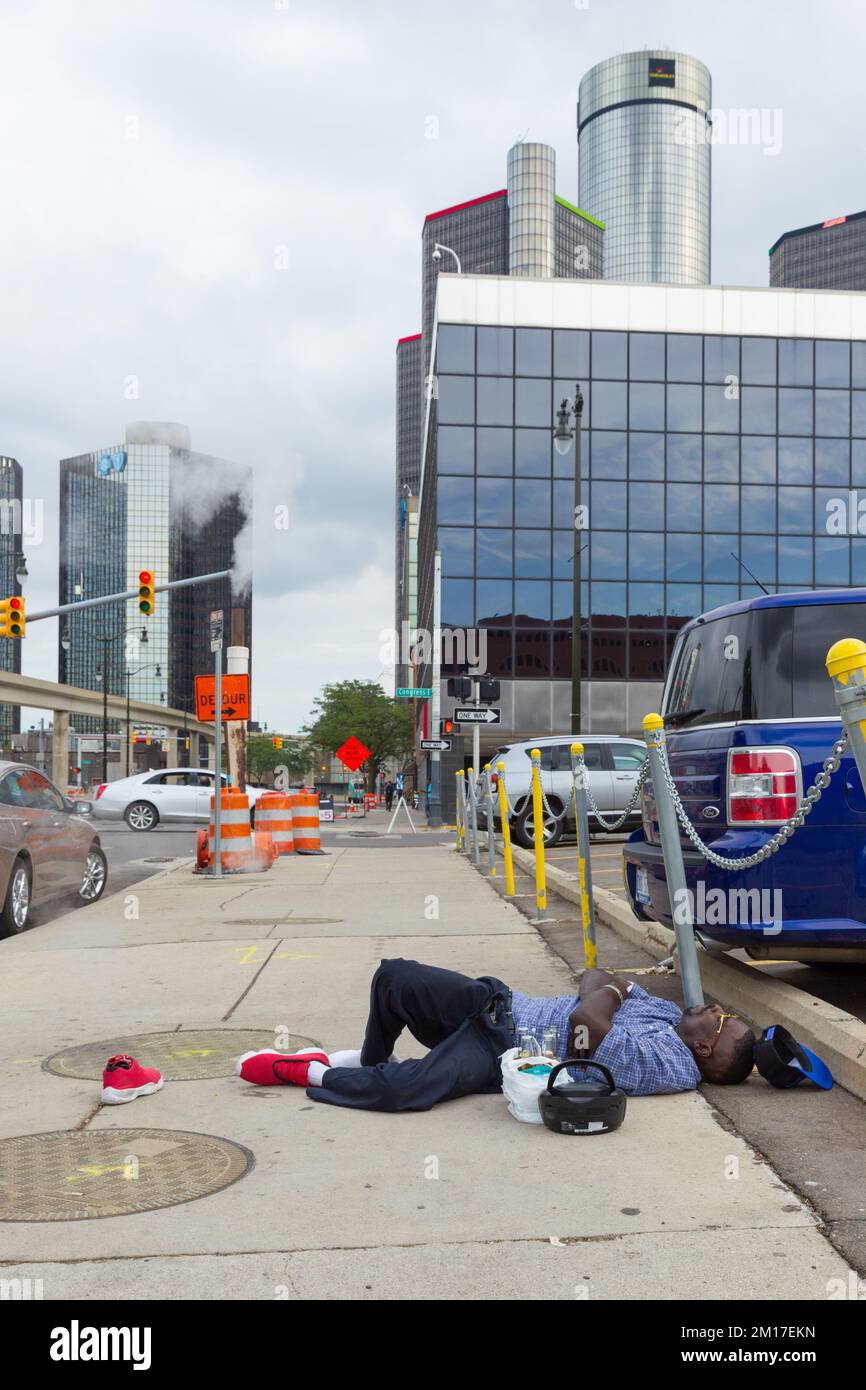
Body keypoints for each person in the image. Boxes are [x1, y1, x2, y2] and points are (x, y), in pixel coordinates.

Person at [236, 959, 756, 1112]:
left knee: (404, 1092)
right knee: (392, 976)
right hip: (496, 1001)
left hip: (503, 1049)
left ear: (706, 1048)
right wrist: (605, 995)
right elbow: (594, 977)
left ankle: (309, 1069)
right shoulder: (666, 1014)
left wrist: (608, 996)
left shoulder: (673, 1064)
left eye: (722, 1020)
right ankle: (366, 1059)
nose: (715, 1008)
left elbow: (585, 1021)